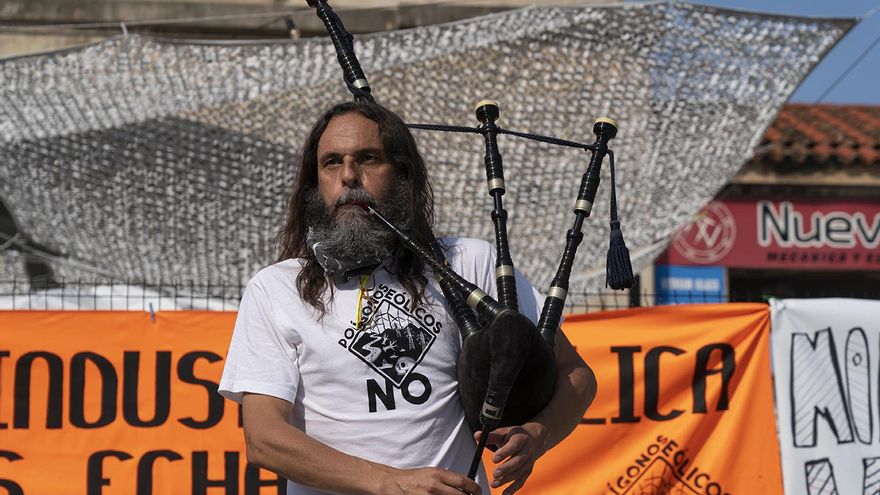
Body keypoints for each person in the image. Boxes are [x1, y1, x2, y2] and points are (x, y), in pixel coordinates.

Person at [218, 100, 597, 495]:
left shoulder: (467, 263)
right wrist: (392, 481)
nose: (349, 176)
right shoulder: (277, 288)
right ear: (315, 185)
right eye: (331, 162)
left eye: (368, 158)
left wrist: (537, 435)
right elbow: (265, 439)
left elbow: (576, 373)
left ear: (403, 174)